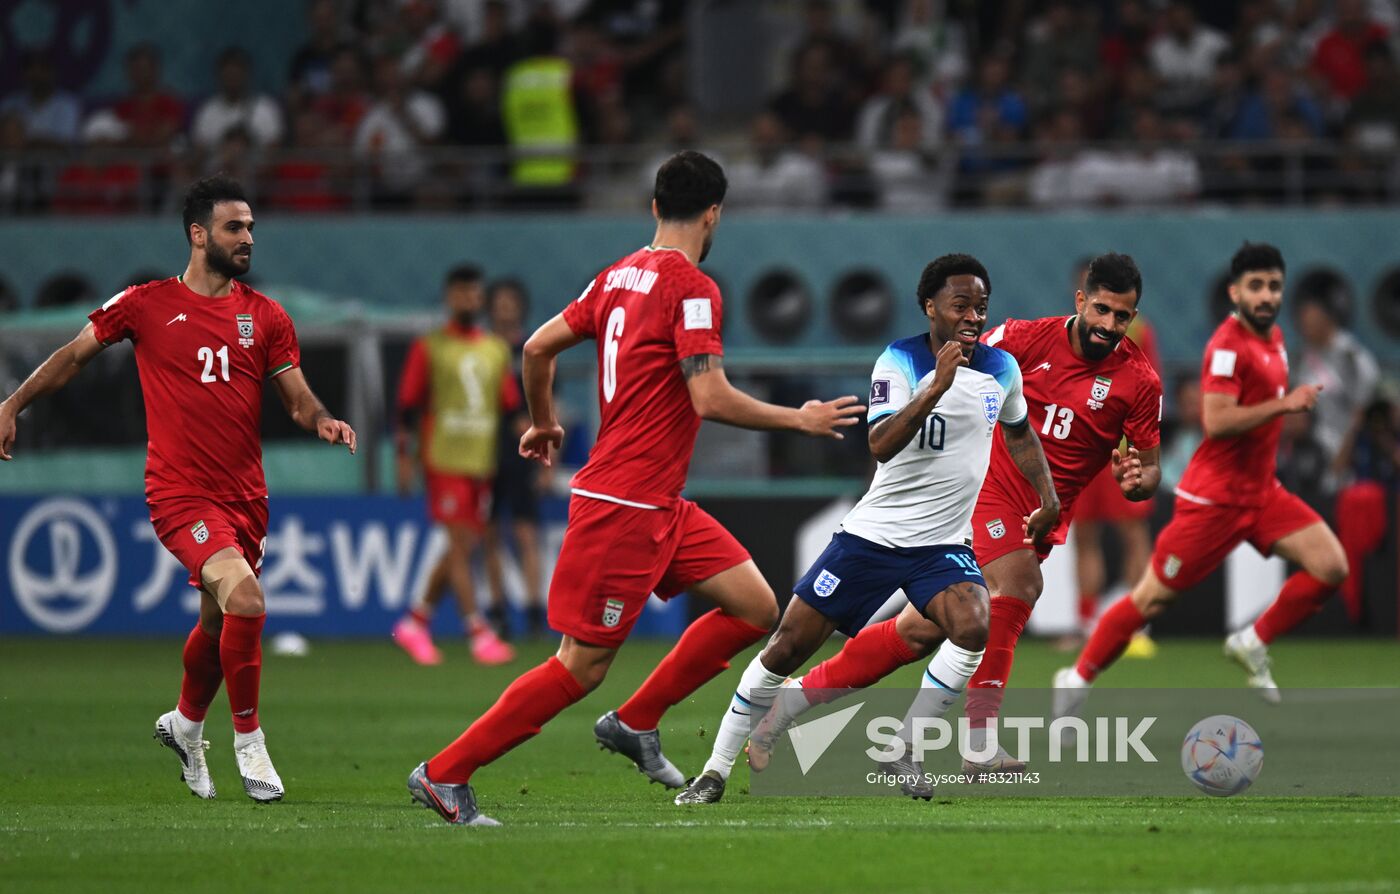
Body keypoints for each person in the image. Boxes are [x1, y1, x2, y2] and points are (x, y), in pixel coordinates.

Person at [405, 150, 865, 826]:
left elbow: (534, 348)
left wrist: (543, 424)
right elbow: (707, 396)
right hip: (625, 504)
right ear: (714, 214)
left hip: (661, 502)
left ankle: (638, 719)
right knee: (579, 667)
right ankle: (445, 773)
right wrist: (798, 417)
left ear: (654, 206)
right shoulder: (693, 287)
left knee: (755, 607)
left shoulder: (617, 276)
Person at [684, 253, 1163, 800]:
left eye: (1121, 317)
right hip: (986, 495)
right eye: (1101, 309)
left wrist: (1136, 481)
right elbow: (951, 391)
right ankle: (976, 741)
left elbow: (1147, 470)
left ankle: (793, 703)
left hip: (1043, 511)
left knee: (920, 633)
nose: (1107, 325)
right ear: (1081, 300)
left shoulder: (1140, 380)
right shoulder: (1021, 340)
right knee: (1020, 587)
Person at [0, 175, 356, 802]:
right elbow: (74, 354)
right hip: (179, 494)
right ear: (198, 234)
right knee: (246, 599)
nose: (247, 238)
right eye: (233, 227)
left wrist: (321, 419)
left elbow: (296, 399)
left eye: (249, 227)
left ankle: (186, 726)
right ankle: (249, 740)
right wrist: (13, 402)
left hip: (246, 497)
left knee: (220, 628)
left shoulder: (266, 316)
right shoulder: (145, 304)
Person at [1056, 242, 1349, 715]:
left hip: (1262, 492)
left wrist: (1281, 415)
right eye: (1255, 286)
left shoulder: (1273, 340)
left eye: (1274, 285)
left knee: (1331, 566)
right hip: (1215, 500)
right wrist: (1284, 405)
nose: (1266, 295)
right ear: (1235, 292)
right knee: (1149, 599)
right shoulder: (1227, 348)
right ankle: (1077, 675)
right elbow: (1216, 421)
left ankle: (1253, 640)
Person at [391, 265, 518, 666]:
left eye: (474, 293)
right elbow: (407, 406)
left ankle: (416, 621)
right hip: (443, 457)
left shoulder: (495, 349)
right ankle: (477, 632)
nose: (469, 300)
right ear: (450, 297)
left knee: (461, 545)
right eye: (461, 293)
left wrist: (538, 435)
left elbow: (510, 406)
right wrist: (403, 458)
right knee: (461, 547)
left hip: (480, 462)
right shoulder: (430, 347)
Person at [481, 278, 547, 638]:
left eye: (511, 301)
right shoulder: (480, 349)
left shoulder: (533, 348)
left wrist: (545, 461)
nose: (505, 307)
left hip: (525, 452)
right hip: (486, 453)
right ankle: (497, 611)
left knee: (526, 532)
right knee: (490, 533)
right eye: (499, 301)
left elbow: (548, 407)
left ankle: (535, 611)